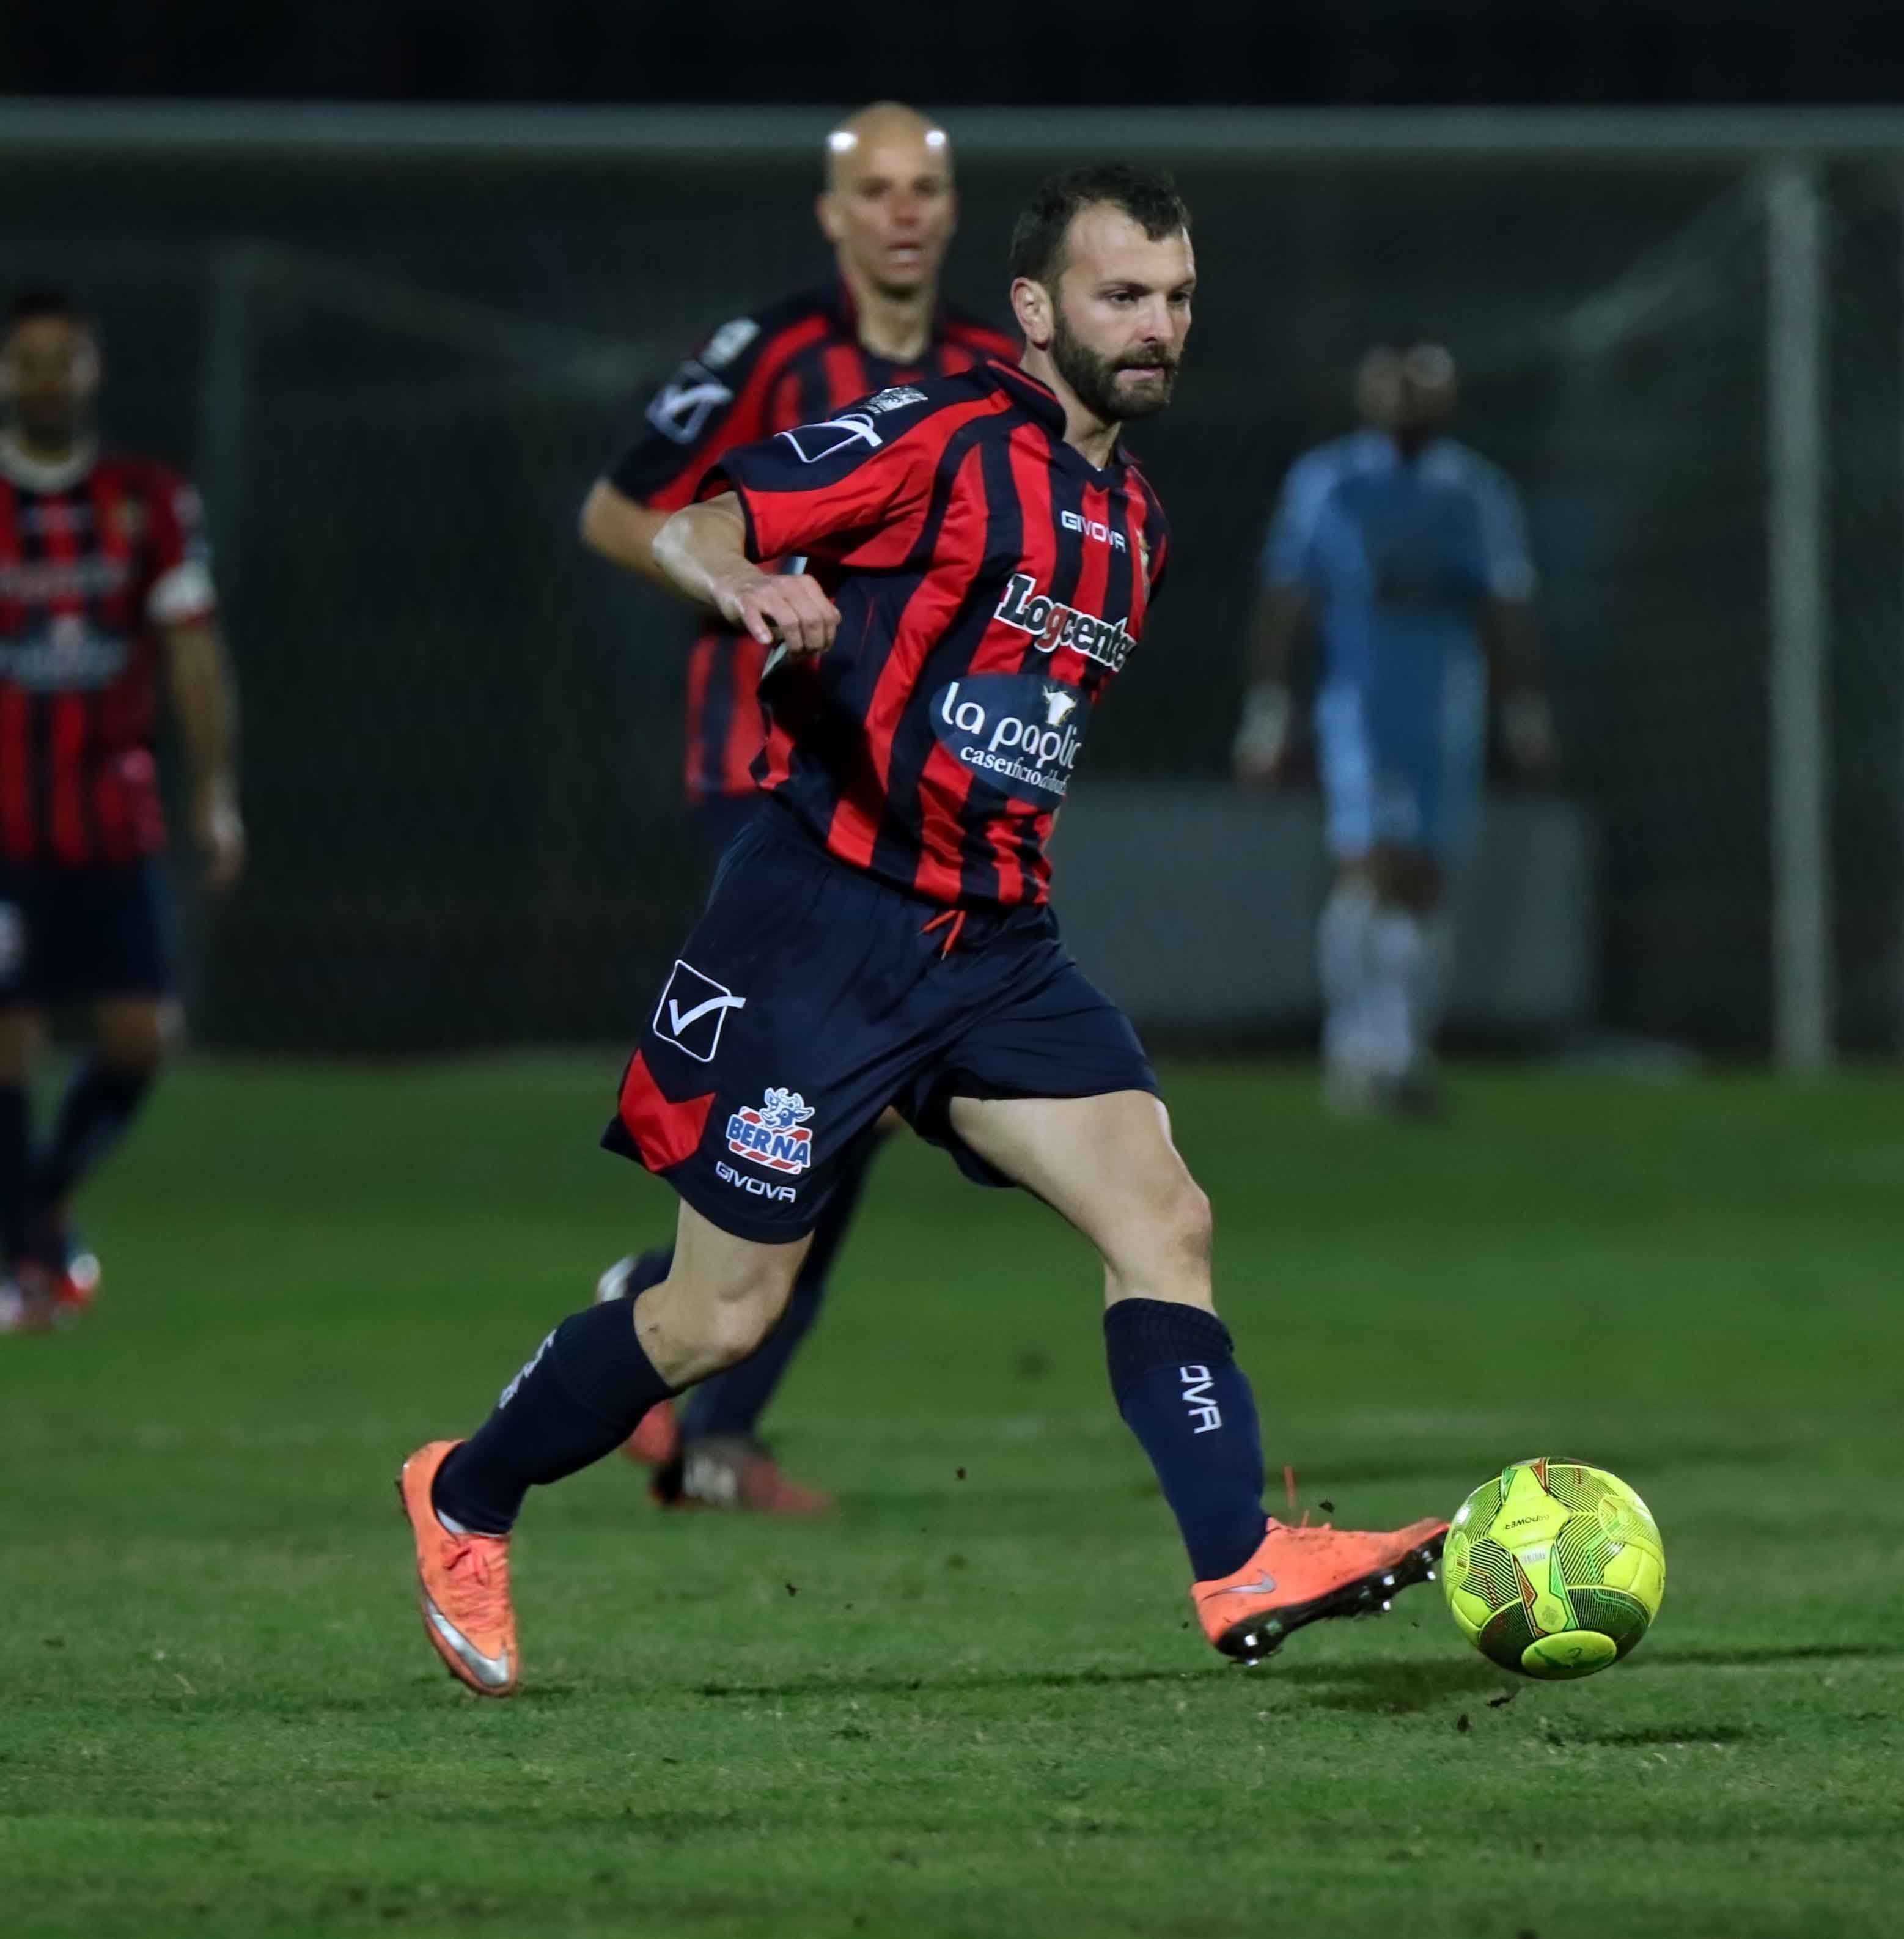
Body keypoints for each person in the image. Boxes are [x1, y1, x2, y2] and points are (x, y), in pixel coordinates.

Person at [400, 164, 1447, 1699]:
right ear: (1035, 310)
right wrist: (753, 580)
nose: (1156, 329)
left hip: (995, 944)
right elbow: (699, 520)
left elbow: (1026, 732)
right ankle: (465, 1494)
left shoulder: (1135, 522)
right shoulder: (940, 435)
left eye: (1175, 302)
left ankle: (1239, 1560)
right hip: (820, 923)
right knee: (719, 1318)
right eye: (1121, 297)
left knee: (1165, 1217)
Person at [579, 101, 1018, 1514]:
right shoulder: (763, 352)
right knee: (853, 1093)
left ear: (950, 212)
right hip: (756, 774)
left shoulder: (989, 373)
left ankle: (679, 1361)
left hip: (912, 793)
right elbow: (615, 510)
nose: (902, 212)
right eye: (875, 190)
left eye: (924, 190)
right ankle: (689, 1387)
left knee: (845, 1102)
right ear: (832, 215)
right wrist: (744, 583)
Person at [0, 289, 244, 1334]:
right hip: (4, 826)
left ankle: (35, 1212)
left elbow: (192, 650)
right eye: (29, 361)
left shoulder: (145, 497)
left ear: (93, 372)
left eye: (67, 359)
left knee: (142, 1035)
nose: (48, 379)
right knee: (6, 1038)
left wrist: (215, 791)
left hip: (112, 815)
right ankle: (25, 1263)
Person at [1233, 344, 1556, 1114]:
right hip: (1361, 702)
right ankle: (1358, 1048)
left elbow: (1503, 609)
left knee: (1426, 877)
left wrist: (1524, 710)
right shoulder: (1330, 482)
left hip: (1447, 703)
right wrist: (1270, 709)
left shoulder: (1474, 491)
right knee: (1370, 864)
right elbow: (1287, 597)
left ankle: (1407, 1046)